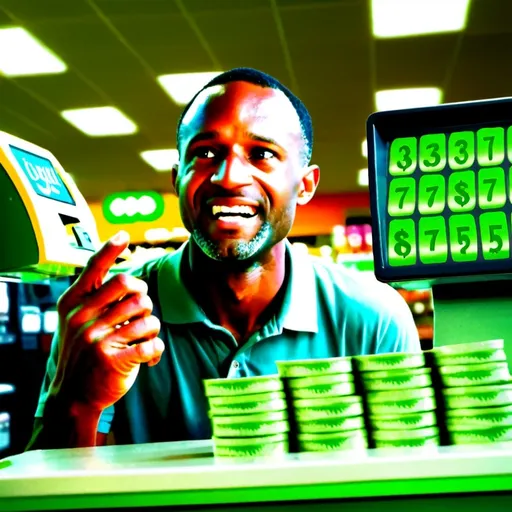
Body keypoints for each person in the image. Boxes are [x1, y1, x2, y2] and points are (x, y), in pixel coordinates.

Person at [28, 68, 420, 450]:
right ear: (176, 177)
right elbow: (45, 493)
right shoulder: (108, 312)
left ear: (305, 185)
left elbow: (410, 483)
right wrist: (78, 404)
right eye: (206, 153)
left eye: (262, 153)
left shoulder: (373, 318)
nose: (229, 177)